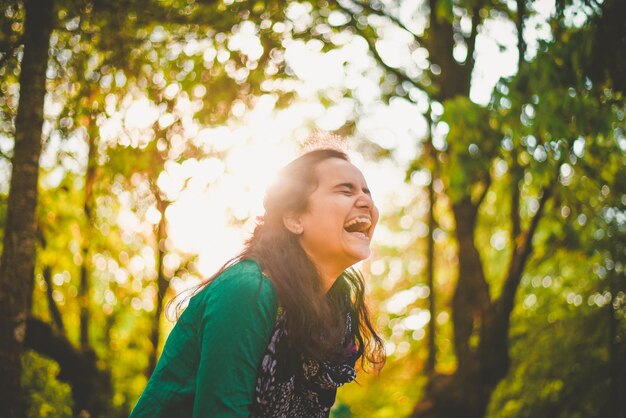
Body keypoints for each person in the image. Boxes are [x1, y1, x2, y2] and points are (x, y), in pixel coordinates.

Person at [129, 148, 385, 418]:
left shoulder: (331, 313)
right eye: (345, 191)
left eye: (367, 193)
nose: (365, 201)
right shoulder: (247, 291)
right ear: (295, 218)